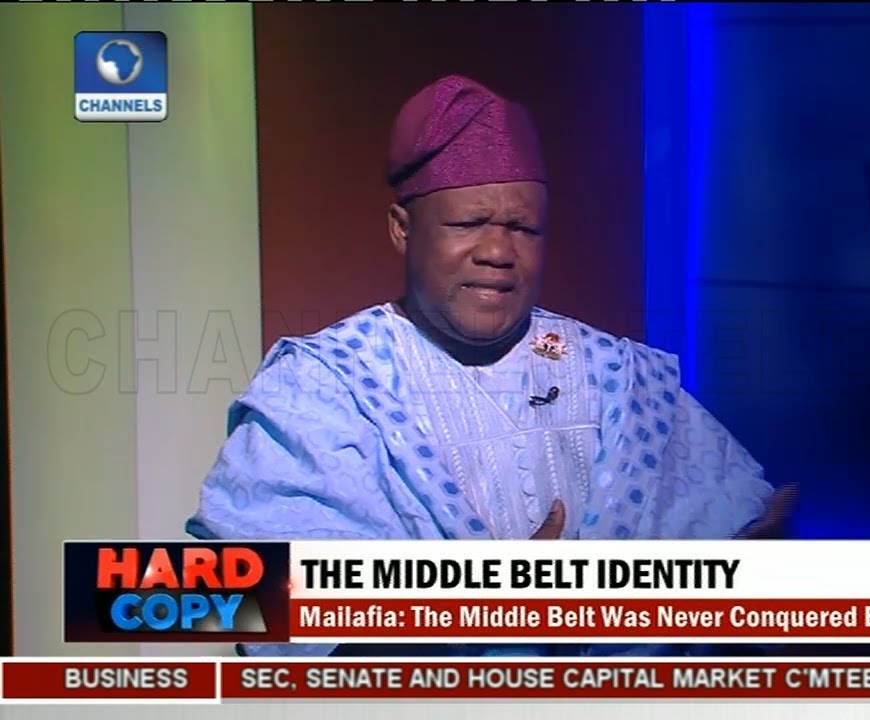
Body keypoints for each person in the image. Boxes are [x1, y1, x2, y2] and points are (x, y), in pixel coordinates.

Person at [186, 75, 797, 657]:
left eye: (524, 228)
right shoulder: (323, 388)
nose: (499, 251)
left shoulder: (618, 377)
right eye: (469, 224)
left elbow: (740, 564)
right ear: (402, 229)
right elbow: (250, 599)